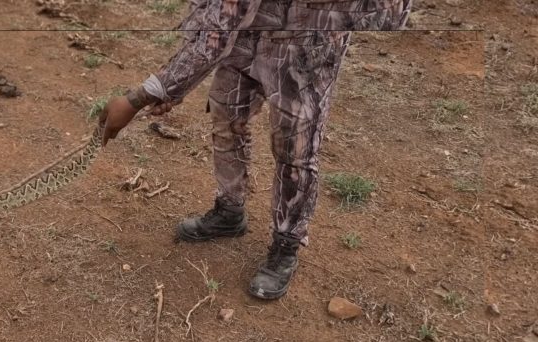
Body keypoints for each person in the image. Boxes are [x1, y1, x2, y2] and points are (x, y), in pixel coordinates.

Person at [99, 0, 411, 300]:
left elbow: (216, 35)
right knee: (227, 117)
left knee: (295, 145)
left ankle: (286, 245)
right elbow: (217, 24)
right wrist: (170, 88)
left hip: (308, 40)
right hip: (246, 34)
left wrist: (139, 97)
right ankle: (230, 211)